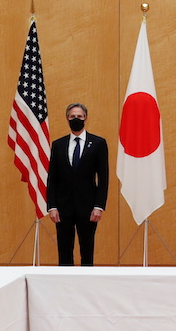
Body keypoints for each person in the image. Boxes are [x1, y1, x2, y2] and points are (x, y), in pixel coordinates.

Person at [46, 102, 109, 266]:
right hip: (62, 208)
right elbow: (52, 178)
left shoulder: (98, 143)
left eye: (79, 116)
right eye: (72, 116)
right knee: (64, 252)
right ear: (67, 118)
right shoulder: (58, 145)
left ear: (85, 118)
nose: (76, 119)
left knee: (87, 252)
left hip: (88, 208)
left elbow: (103, 178)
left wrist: (99, 206)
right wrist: (52, 206)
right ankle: (64, 287)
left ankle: (86, 287)